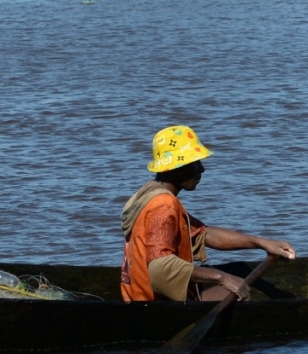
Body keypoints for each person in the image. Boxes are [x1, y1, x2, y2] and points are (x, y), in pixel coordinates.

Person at [120, 125, 296, 303]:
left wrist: (263, 243)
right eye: (194, 164)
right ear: (175, 167)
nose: (201, 170)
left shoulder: (148, 194)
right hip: (151, 304)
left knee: (238, 274)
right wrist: (221, 277)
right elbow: (161, 268)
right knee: (242, 291)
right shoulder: (164, 205)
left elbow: (203, 234)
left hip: (135, 297)